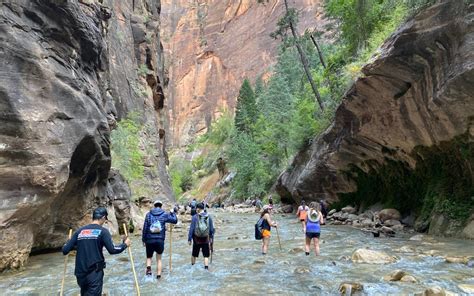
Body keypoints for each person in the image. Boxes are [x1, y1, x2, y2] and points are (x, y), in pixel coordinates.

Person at [62, 207, 130, 296]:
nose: (105, 221)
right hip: (94, 273)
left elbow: (65, 250)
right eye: (105, 219)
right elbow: (112, 250)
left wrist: (69, 243)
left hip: (80, 274)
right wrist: (125, 244)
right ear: (103, 217)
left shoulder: (80, 231)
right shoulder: (103, 232)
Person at [142, 200, 178, 279]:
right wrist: (172, 213)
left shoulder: (148, 214)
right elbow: (175, 220)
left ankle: (148, 269)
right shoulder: (164, 214)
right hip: (159, 240)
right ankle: (158, 276)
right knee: (159, 259)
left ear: (154, 206)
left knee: (149, 257)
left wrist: (143, 240)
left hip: (149, 239)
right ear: (161, 206)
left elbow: (145, 228)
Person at [188, 203, 215, 269]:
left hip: (196, 239)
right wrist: (212, 238)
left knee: (194, 254)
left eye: (197, 208)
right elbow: (211, 229)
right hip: (206, 239)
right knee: (206, 255)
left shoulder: (195, 217)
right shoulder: (209, 217)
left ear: (198, 209)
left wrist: (189, 239)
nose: (196, 209)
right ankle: (206, 268)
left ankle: (192, 267)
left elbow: (192, 228)